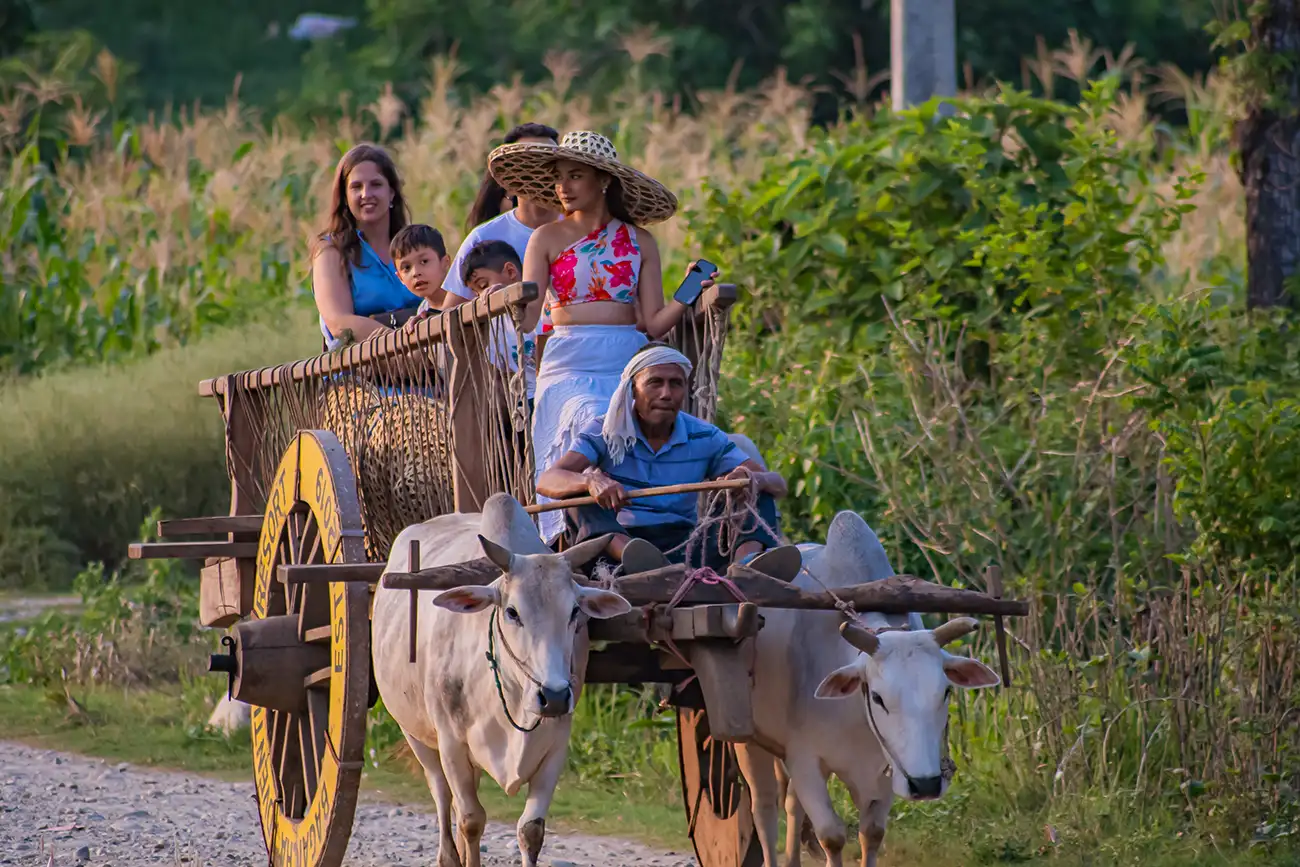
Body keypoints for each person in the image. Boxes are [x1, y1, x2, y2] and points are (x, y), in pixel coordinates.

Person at [487, 130, 715, 542]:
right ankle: (588, 523)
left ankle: (640, 521)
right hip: (569, 359)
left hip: (625, 357)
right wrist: (499, 301)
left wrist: (689, 290)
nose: (563, 187)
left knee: (638, 417)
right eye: (559, 177)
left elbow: (653, 323)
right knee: (591, 414)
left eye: (575, 176)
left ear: (603, 180)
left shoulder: (639, 241)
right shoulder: (547, 238)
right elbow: (529, 317)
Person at [535, 344, 802, 579]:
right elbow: (548, 481)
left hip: (685, 548)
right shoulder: (604, 431)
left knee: (756, 489)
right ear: (632, 390)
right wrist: (591, 480)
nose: (666, 393)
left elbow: (778, 484)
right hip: (620, 552)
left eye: (676, 383)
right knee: (578, 497)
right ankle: (638, 560)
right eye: (655, 383)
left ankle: (747, 568)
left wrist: (750, 479)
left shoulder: (704, 435)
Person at [311, 143, 424, 351]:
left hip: (427, 371)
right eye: (356, 187)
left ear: (391, 193)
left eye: (376, 184)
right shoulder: (330, 251)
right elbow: (339, 323)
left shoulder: (416, 246)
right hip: (363, 376)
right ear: (345, 197)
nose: (366, 194)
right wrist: (402, 348)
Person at [438, 122, 562, 311]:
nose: (541, 172)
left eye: (550, 163)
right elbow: (450, 316)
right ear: (508, 181)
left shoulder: (581, 229)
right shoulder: (483, 238)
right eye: (530, 164)